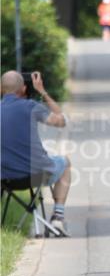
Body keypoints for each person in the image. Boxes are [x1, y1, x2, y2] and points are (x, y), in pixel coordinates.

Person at [1, 70, 71, 236]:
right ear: (24, 89)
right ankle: (58, 218)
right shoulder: (31, 107)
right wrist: (42, 91)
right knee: (65, 162)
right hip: (36, 174)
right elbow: (62, 121)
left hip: (5, 178)